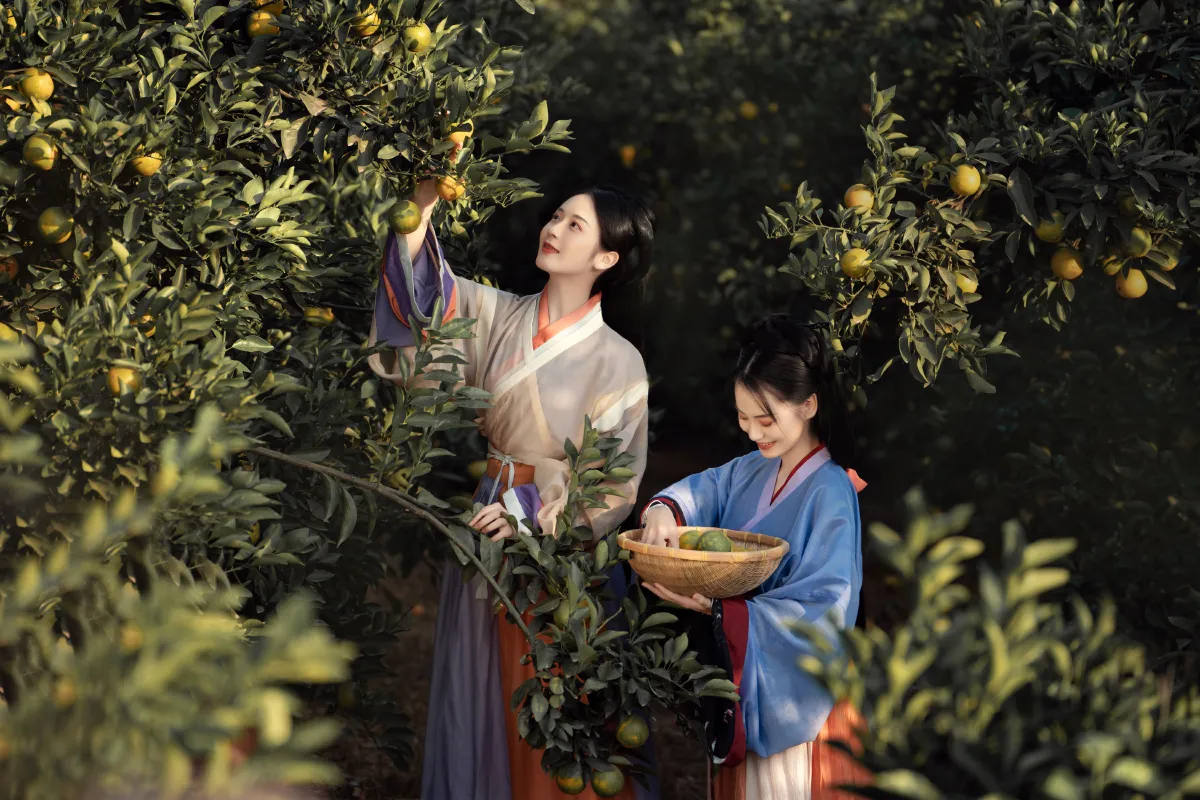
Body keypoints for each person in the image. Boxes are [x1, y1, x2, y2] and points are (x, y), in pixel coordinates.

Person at [368, 178, 658, 800]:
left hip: (557, 545)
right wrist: (420, 205)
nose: (552, 229)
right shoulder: (499, 316)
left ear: (606, 258)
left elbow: (613, 481)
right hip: (485, 523)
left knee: (556, 692)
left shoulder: (619, 362)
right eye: (555, 216)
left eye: (574, 225)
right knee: (480, 686)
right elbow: (429, 299)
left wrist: (529, 517)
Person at [639, 314, 870, 800]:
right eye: (743, 419)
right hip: (744, 669)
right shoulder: (752, 468)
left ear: (808, 404)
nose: (753, 433)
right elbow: (700, 491)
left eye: (765, 420)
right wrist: (663, 510)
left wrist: (725, 612)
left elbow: (827, 606)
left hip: (796, 689)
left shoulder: (830, 490)